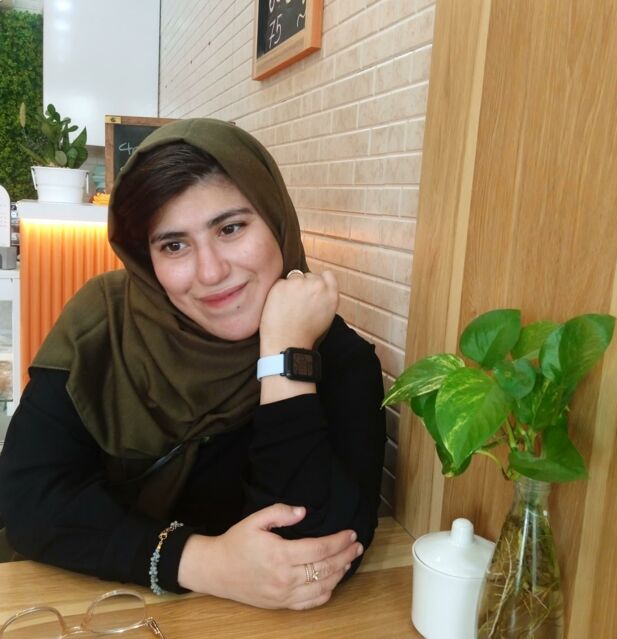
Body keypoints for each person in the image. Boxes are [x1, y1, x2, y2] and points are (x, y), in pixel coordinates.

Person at [0, 118, 386, 610]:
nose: (211, 272)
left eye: (231, 228)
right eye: (174, 245)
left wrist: (285, 359)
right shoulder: (102, 326)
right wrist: (203, 561)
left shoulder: (339, 359)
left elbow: (318, 556)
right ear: (146, 259)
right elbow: (28, 501)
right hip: (96, 610)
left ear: (276, 219)